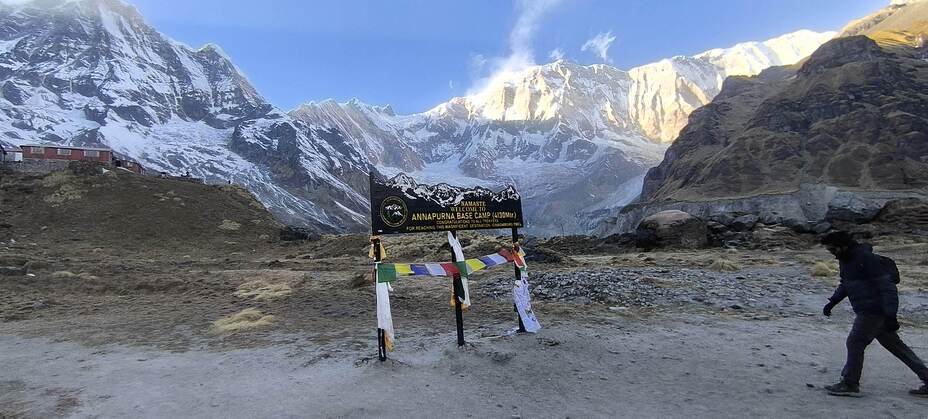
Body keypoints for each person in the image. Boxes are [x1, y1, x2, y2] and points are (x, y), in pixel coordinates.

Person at [820, 231, 928, 397]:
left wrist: (891, 315)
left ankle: (850, 383)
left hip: (873, 310)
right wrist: (832, 302)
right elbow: (846, 284)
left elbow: (888, 287)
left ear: (843, 246)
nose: (831, 253)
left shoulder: (866, 259)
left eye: (832, 249)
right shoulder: (846, 260)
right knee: (896, 346)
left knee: (855, 342)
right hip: (869, 310)